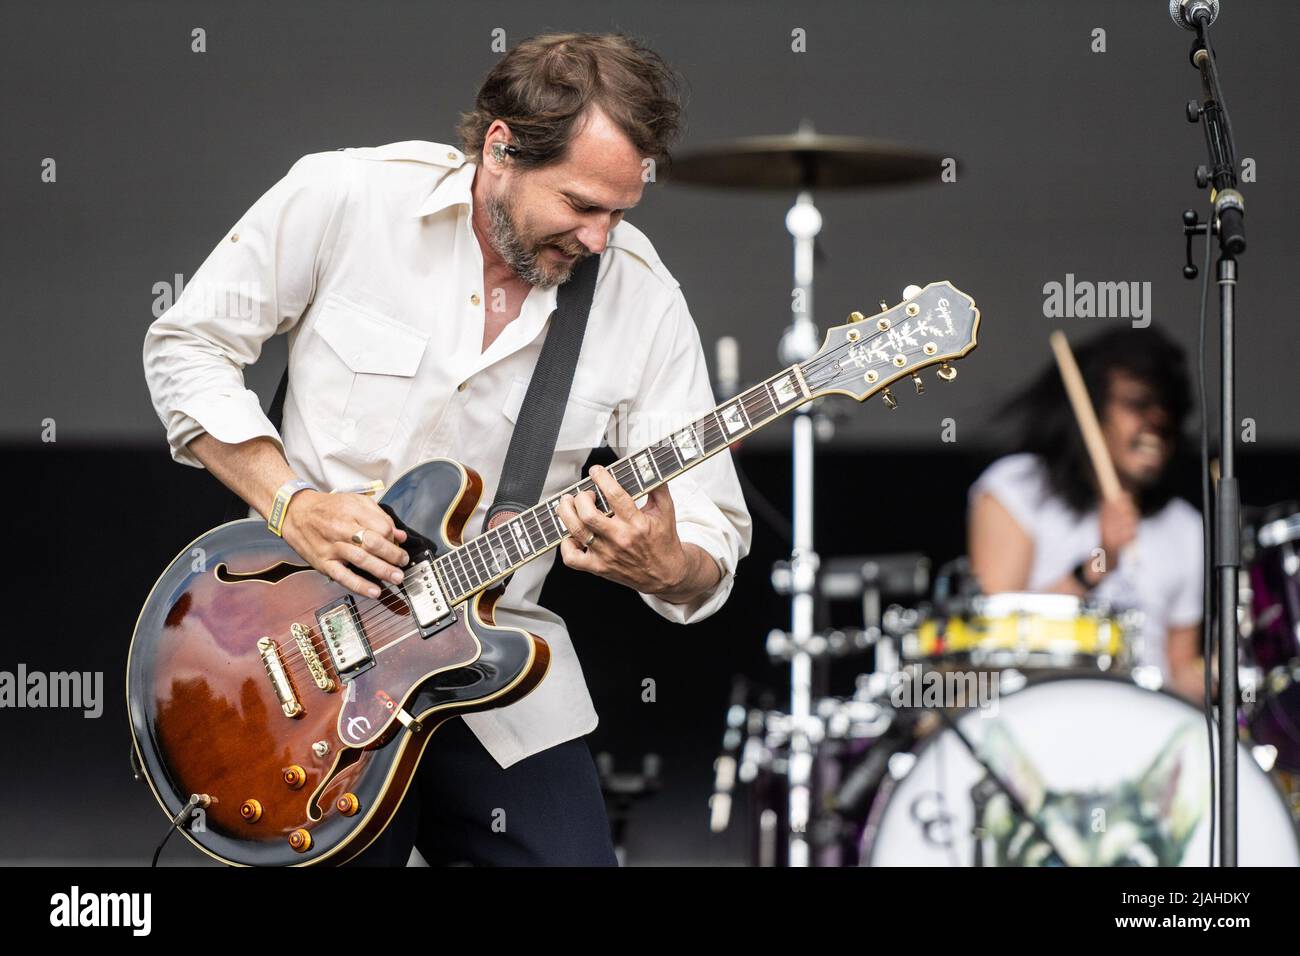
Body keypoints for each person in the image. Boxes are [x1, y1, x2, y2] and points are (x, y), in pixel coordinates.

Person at [142, 32, 752, 865]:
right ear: (501, 147)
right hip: (301, 655)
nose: (600, 238)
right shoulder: (346, 197)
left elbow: (714, 529)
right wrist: (294, 502)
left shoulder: (639, 298)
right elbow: (187, 346)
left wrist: (667, 563)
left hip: (493, 668)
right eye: (580, 204)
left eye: (619, 213)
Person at [967, 327, 1203, 699]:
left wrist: (1248, 670)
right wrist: (1096, 565)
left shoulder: (1185, 526)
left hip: (1149, 731)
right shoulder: (1019, 489)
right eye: (1138, 404)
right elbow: (994, 637)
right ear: (1091, 411)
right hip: (1038, 715)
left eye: (1168, 410)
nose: (1158, 422)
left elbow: (1182, 671)